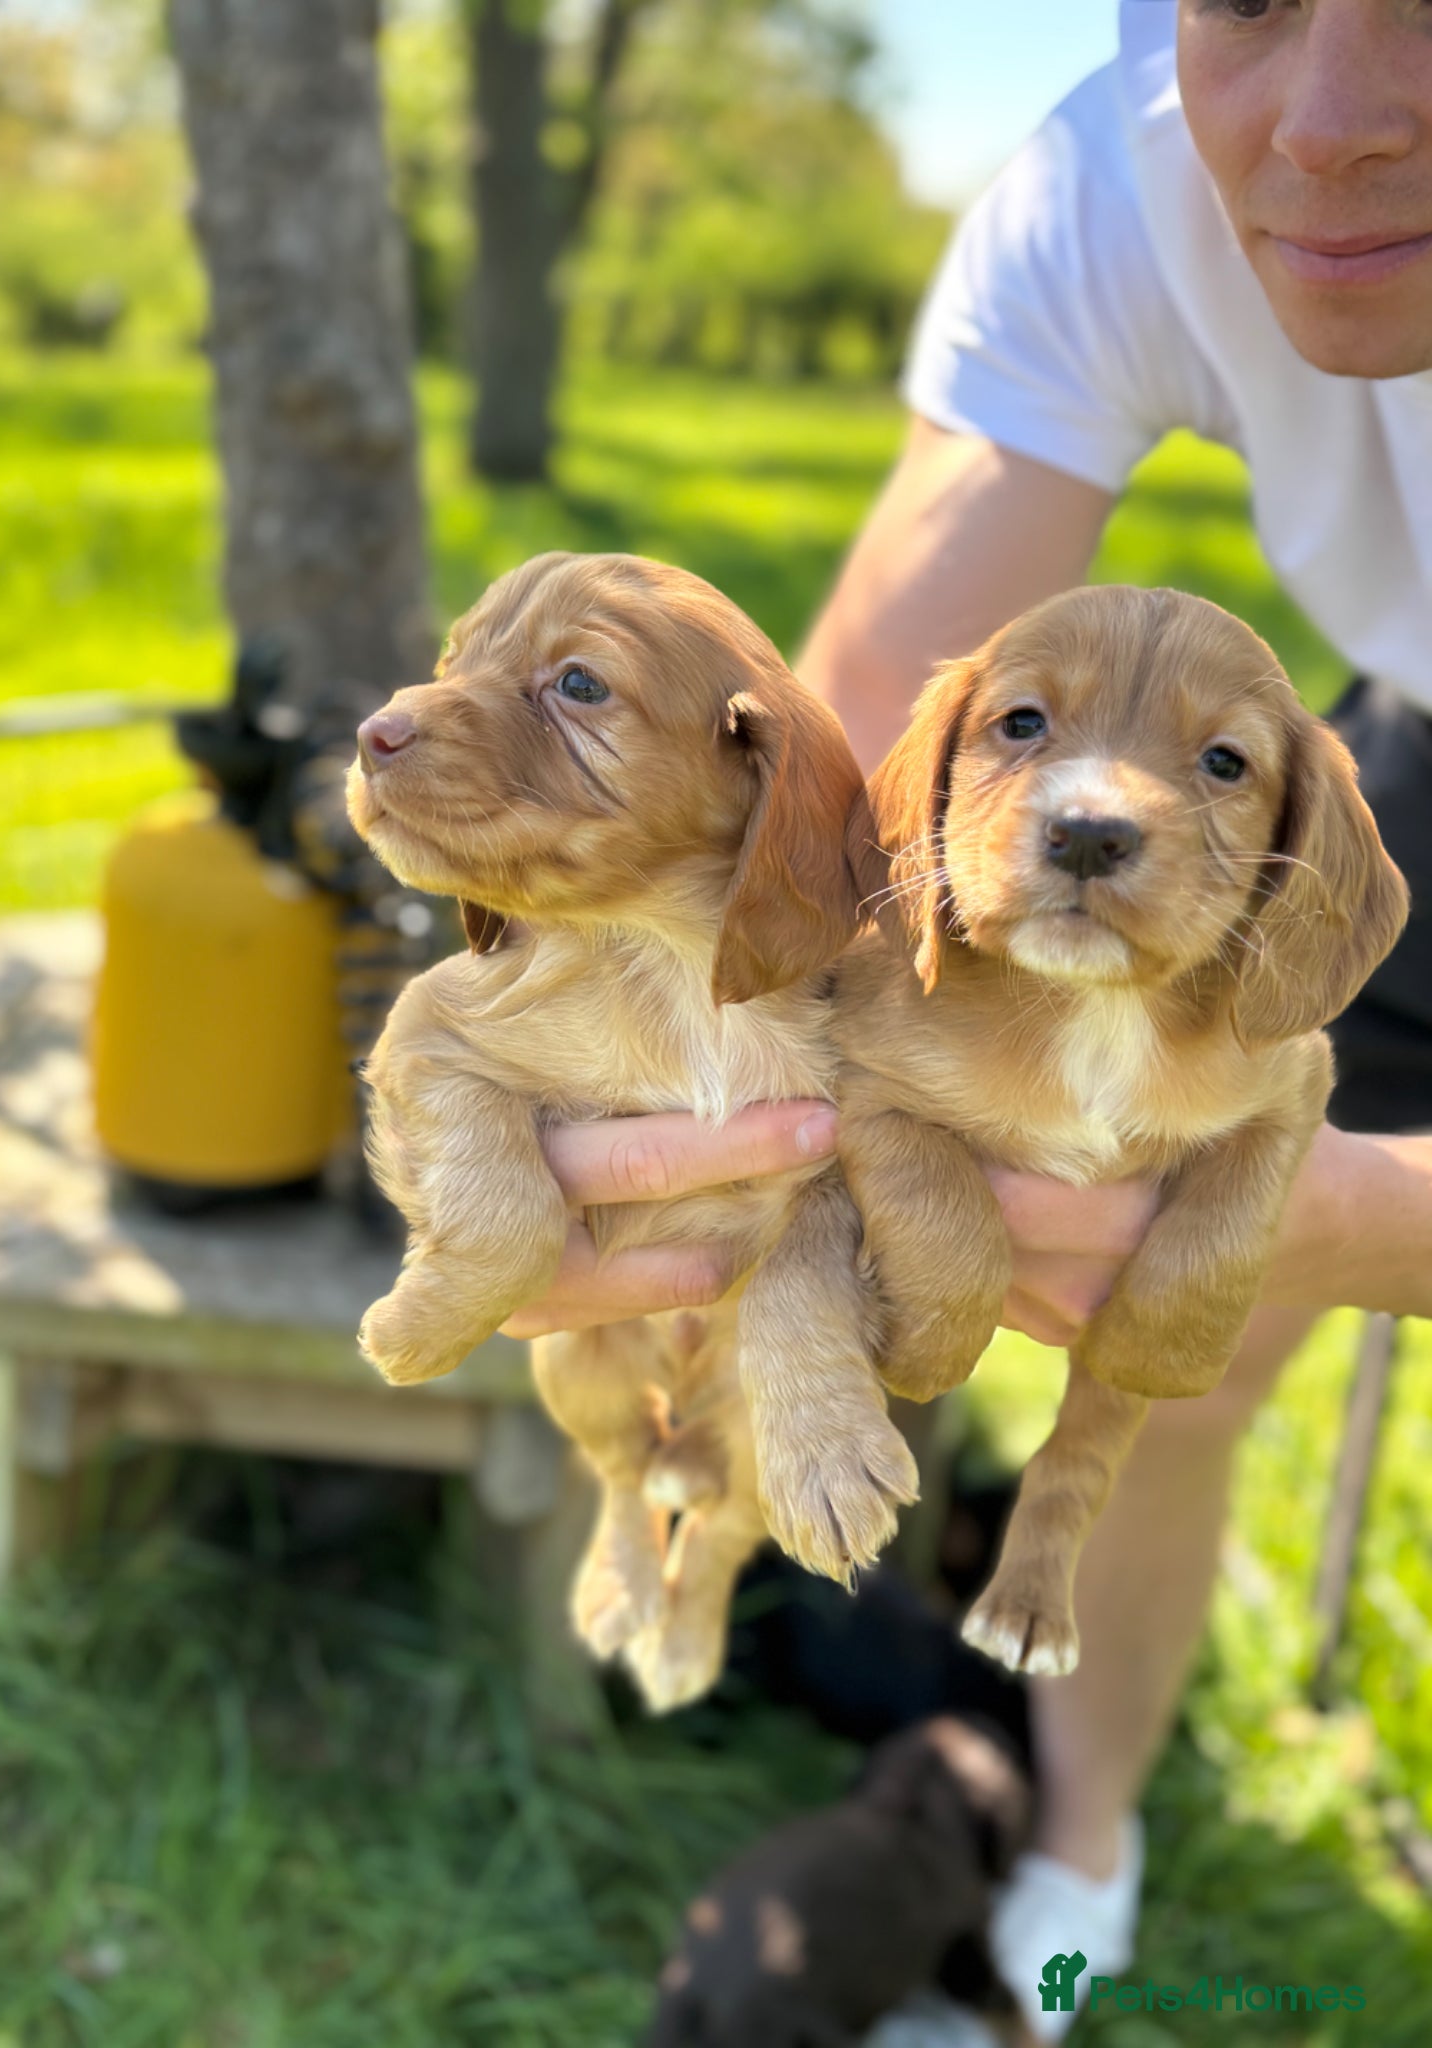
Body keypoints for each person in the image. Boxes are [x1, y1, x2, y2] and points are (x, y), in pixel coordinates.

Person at [502, 1, 1432, 2036]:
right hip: (1398, 740)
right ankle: (1080, 1847)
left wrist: (1318, 1211)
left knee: (1228, 1270)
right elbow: (840, 799)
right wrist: (666, 1070)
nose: (1335, 128)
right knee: (1173, 1361)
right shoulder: (1119, 188)